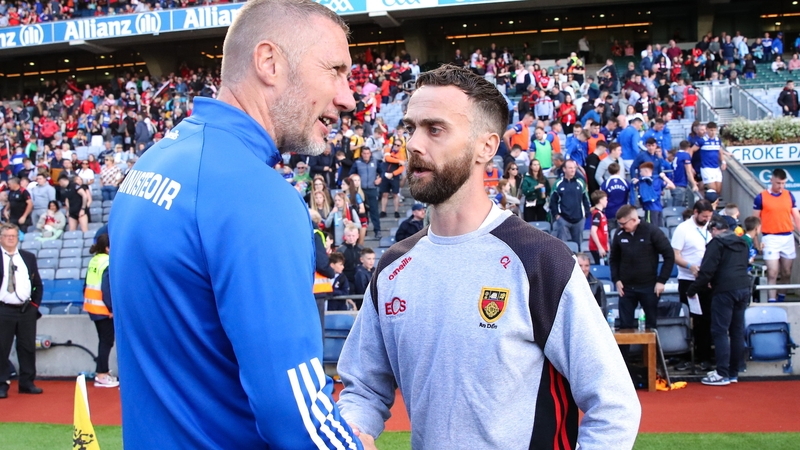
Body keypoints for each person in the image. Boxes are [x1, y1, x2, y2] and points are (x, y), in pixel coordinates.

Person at [108, 1, 369, 447]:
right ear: (269, 62)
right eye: (335, 71)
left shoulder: (155, 161)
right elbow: (291, 410)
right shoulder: (256, 193)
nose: (348, 96)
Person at [338, 65, 640, 449]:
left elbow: (613, 404)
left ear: (486, 146)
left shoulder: (539, 260)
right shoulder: (394, 266)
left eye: (434, 129)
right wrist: (353, 431)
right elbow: (363, 388)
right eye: (409, 128)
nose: (413, 144)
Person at [687, 217, 751, 386]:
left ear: (714, 229)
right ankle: (733, 372)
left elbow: (707, 271)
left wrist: (692, 290)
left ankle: (722, 372)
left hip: (724, 290)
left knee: (720, 331)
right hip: (744, 286)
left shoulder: (716, 244)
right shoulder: (742, 243)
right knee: (737, 331)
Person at [610, 205, 675, 331]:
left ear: (633, 220)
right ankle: (624, 351)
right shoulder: (619, 234)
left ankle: (652, 351)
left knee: (651, 326)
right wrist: (616, 279)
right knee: (624, 327)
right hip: (626, 288)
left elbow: (669, 255)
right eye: (619, 223)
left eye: (623, 223)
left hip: (649, 286)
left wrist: (662, 281)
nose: (621, 226)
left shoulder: (652, 231)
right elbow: (614, 259)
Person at [0, 223, 44, 399]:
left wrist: (34, 306)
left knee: (27, 347)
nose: (11, 238)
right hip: (3, 309)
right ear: (1, 238)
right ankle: (2, 384)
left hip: (26, 310)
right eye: (7, 236)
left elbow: (37, 285)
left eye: (14, 235)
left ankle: (27, 382)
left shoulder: (28, 257)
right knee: (2, 349)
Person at [670, 200, 715, 371]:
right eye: (704, 216)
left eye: (709, 217)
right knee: (693, 319)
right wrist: (690, 266)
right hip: (689, 279)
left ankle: (705, 356)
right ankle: (688, 355)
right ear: (695, 212)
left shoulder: (710, 227)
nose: (706, 220)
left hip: (707, 279)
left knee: (706, 320)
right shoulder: (683, 229)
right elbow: (675, 255)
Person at [753, 168, 800, 302]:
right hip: (770, 237)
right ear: (771, 180)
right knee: (772, 272)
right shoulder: (761, 197)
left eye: (783, 183)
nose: (781, 186)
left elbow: (796, 216)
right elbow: (755, 220)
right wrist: (756, 241)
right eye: (778, 183)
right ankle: (772, 301)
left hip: (787, 237)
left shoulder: (789, 195)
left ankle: (781, 298)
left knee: (786, 272)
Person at [82, 233, 119, 388]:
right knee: (106, 342)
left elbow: (86, 284)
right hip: (103, 309)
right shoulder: (107, 262)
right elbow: (106, 288)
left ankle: (103, 371)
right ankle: (101, 374)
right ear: (108, 248)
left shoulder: (95, 261)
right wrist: (111, 308)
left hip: (93, 307)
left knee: (104, 341)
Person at [551, 159, 591, 248]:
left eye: (574, 168)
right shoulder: (558, 184)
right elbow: (552, 201)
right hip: (563, 219)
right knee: (562, 246)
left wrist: (586, 214)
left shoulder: (580, 182)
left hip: (579, 219)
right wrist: (557, 215)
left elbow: (586, 199)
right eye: (570, 168)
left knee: (578, 245)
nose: (573, 170)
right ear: (564, 169)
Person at [351, 147, 382, 239]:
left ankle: (377, 231)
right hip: (361, 190)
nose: (366, 155)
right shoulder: (357, 163)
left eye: (368, 153)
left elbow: (382, 172)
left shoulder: (375, 162)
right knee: (362, 211)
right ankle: (364, 230)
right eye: (364, 153)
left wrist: (380, 178)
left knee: (374, 211)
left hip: (372, 189)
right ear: (361, 154)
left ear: (370, 154)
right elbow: (351, 174)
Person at [636, 162, 674, 227]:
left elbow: (672, 187)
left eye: (641, 171)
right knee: (659, 229)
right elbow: (672, 186)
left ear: (646, 171)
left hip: (650, 208)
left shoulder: (642, 182)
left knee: (651, 229)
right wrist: (664, 177)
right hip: (658, 208)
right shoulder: (658, 180)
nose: (640, 173)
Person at [380, 139, 406, 219]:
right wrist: (398, 161)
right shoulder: (388, 149)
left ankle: (396, 211)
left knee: (395, 194)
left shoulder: (402, 154)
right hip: (385, 174)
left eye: (398, 145)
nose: (396, 146)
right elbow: (388, 158)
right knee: (384, 193)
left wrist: (393, 174)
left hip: (394, 175)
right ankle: (383, 211)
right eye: (395, 144)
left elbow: (402, 168)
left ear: (400, 146)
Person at [589, 190, 609, 264]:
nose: (607, 201)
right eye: (605, 199)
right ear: (600, 200)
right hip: (597, 247)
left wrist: (606, 244)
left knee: (605, 265)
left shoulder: (600, 213)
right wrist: (600, 247)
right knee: (602, 267)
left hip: (603, 246)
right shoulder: (597, 214)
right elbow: (593, 231)